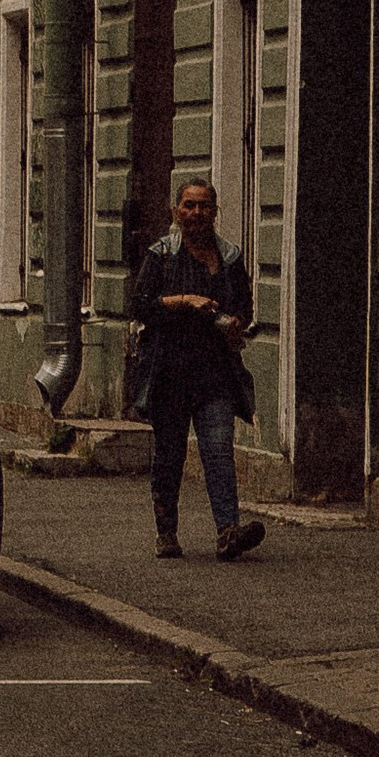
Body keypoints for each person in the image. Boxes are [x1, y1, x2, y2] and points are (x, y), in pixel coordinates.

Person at [129, 174, 265, 562]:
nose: (196, 213)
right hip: (168, 373)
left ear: (215, 212)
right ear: (176, 211)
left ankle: (228, 532)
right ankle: (166, 533)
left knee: (219, 451)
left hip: (215, 374)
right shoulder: (162, 255)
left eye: (204, 205)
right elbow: (141, 306)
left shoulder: (230, 257)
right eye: (189, 205)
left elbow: (245, 307)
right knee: (169, 454)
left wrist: (236, 322)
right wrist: (185, 300)